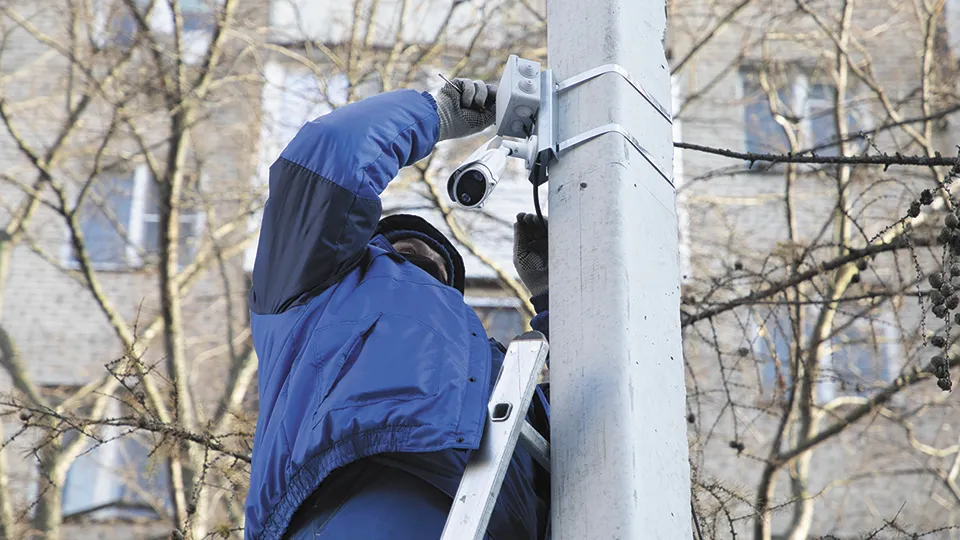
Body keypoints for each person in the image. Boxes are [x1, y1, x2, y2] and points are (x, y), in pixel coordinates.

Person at [245, 77, 552, 540]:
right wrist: (437, 115)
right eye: (394, 252)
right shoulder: (313, 291)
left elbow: (596, 428)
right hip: (357, 503)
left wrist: (553, 298)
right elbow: (333, 155)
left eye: (440, 268)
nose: (421, 256)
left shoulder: (491, 370)